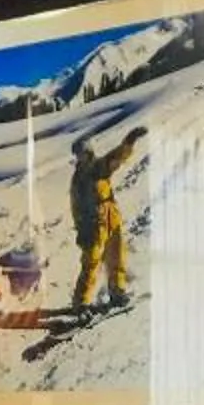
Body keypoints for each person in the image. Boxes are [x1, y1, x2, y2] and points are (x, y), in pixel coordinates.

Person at [69, 121, 146, 311]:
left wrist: (129, 142)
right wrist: (80, 227)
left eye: (84, 153)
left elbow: (116, 157)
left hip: (111, 217)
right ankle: (81, 303)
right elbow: (76, 206)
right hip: (93, 224)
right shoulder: (79, 178)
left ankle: (117, 292)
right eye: (79, 155)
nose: (82, 157)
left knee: (117, 256)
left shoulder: (98, 166)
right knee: (91, 263)